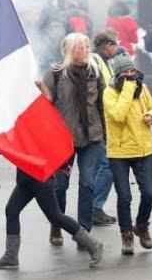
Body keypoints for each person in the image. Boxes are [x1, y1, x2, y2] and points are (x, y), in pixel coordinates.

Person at [0, 142, 104, 270]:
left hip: (39, 179)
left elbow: (13, 144)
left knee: (56, 217)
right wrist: (63, 165)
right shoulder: (27, 123)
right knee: (12, 211)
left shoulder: (29, 124)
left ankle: (94, 245)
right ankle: (11, 256)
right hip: (26, 177)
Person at [43, 33, 106, 247]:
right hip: (63, 140)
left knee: (87, 184)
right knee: (59, 187)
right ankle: (56, 223)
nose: (87, 50)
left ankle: (83, 234)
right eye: (81, 47)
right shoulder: (56, 74)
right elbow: (45, 108)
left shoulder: (95, 73)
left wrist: (105, 135)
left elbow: (102, 106)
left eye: (88, 47)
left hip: (92, 137)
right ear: (70, 50)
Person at [103, 53, 152, 254]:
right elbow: (118, 115)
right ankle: (126, 235)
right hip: (119, 152)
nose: (130, 75)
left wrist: (151, 116)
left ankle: (142, 226)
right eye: (125, 72)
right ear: (117, 75)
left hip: (144, 149)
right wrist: (128, 87)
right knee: (124, 197)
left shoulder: (142, 88)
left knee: (149, 194)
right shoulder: (109, 93)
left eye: (132, 71)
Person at [90, 30, 120, 225]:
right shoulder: (94, 62)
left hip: (105, 121)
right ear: (105, 45)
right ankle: (94, 207)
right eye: (114, 44)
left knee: (99, 167)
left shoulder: (105, 61)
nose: (116, 48)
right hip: (99, 122)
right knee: (107, 166)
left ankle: (92, 206)